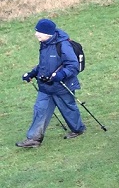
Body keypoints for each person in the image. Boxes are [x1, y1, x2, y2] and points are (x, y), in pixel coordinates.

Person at [17, 19, 86, 148]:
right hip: (46, 87)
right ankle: (34, 139)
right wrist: (32, 73)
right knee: (40, 110)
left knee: (68, 109)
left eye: (39, 32)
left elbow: (73, 65)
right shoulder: (44, 44)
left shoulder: (63, 45)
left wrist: (60, 75)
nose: (36, 34)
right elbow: (44, 65)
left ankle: (78, 129)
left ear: (48, 33)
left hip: (62, 87)